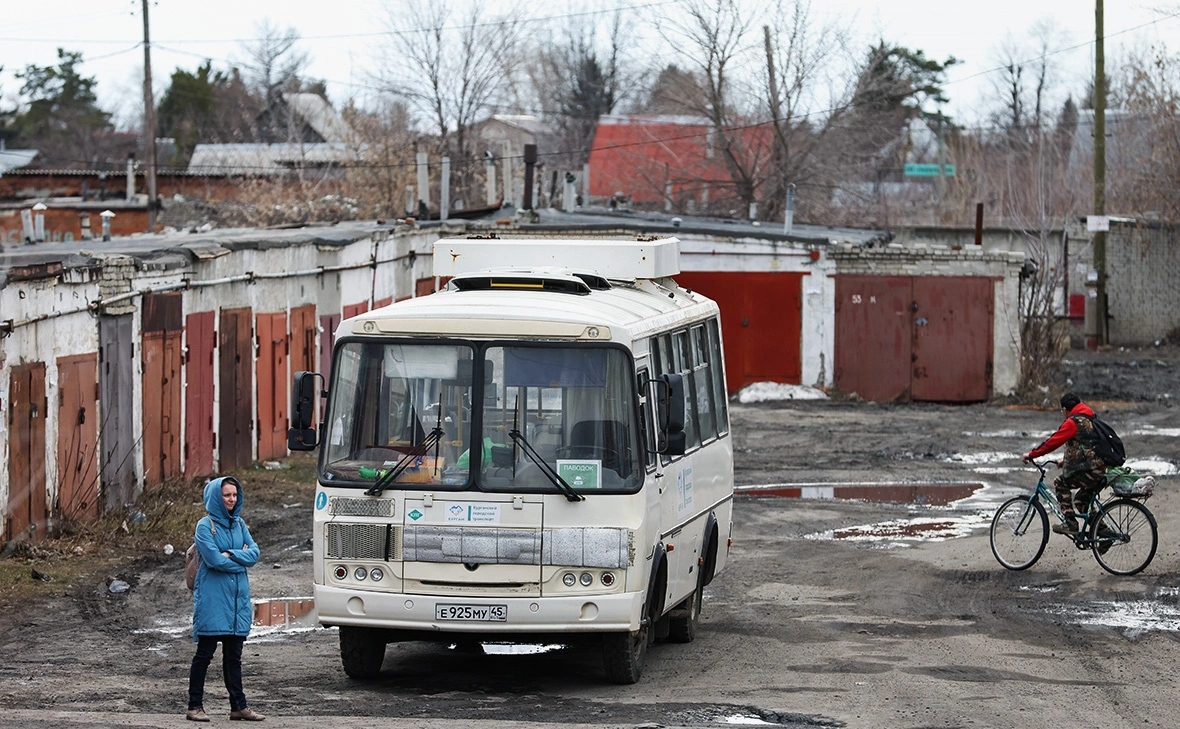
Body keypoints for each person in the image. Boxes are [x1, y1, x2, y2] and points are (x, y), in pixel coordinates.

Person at [186, 476, 265, 722]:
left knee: (234, 658)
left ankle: (238, 707)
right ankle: (194, 707)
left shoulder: (239, 524)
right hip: (213, 600)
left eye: (234, 495)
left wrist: (230, 553)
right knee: (204, 655)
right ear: (215, 498)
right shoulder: (204, 526)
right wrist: (239, 559)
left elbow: (254, 554)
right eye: (226, 495)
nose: (231, 499)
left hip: (236, 602)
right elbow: (213, 560)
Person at [1022, 392, 1110, 536]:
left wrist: (1032, 454)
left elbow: (1053, 442)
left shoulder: (1073, 422)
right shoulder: (1091, 418)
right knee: (1081, 502)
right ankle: (1104, 533)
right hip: (1099, 470)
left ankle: (1070, 524)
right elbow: (1088, 446)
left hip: (1090, 471)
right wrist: (1066, 461)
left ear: (1064, 410)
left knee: (1060, 483)